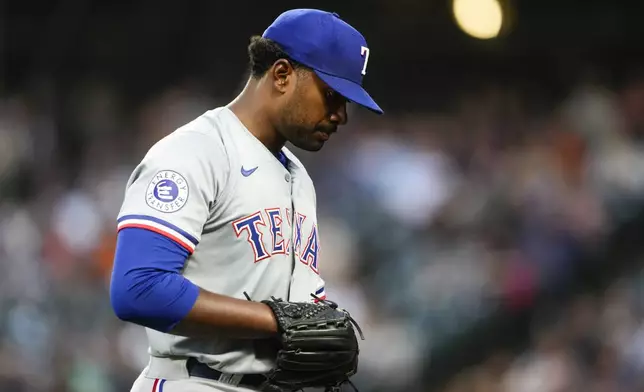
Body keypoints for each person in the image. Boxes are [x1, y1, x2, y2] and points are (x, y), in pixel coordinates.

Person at [109, 8, 382, 392]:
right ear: (283, 75)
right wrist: (274, 320)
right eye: (332, 95)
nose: (341, 115)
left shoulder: (300, 179)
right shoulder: (197, 151)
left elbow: (298, 309)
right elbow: (138, 288)